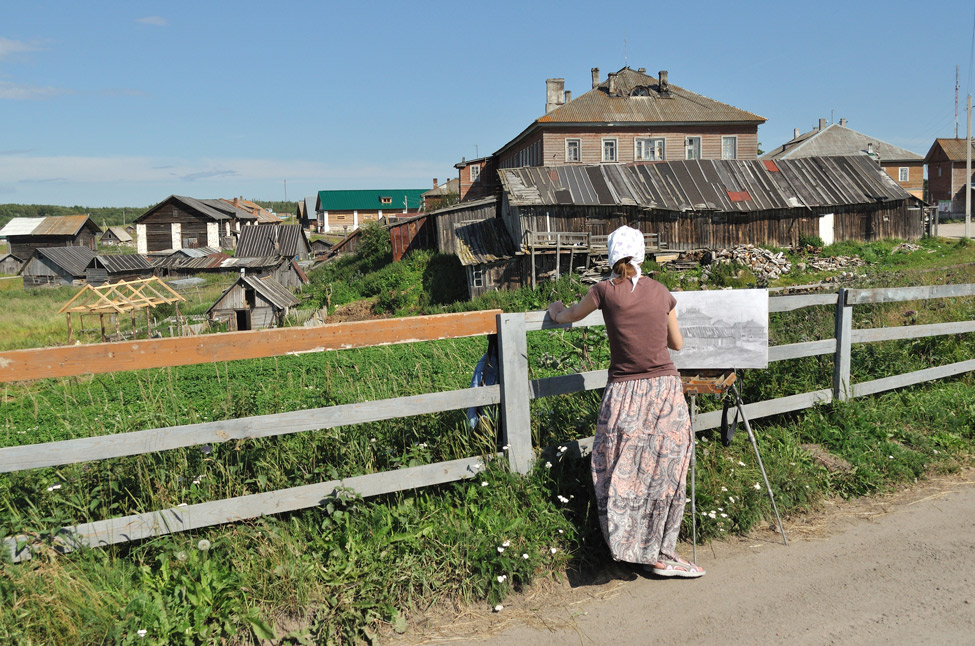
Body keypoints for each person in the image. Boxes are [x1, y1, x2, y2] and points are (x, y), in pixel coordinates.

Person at [547, 225, 704, 578]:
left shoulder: (602, 291)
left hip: (624, 392)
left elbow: (569, 315)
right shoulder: (662, 292)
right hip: (664, 390)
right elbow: (676, 344)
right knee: (665, 472)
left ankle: (628, 547)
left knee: (620, 471)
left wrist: (556, 310)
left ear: (611, 255)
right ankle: (661, 552)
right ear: (642, 254)